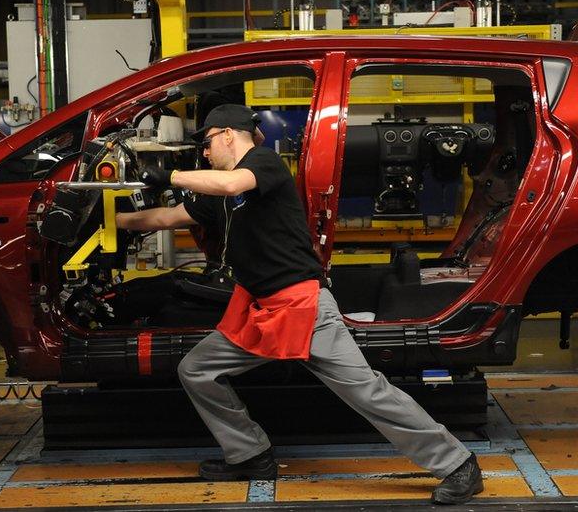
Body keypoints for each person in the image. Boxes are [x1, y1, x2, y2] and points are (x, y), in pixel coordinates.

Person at [116, 104, 483, 505]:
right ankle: (250, 454)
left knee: (368, 393)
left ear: (226, 134)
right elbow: (165, 219)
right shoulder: (220, 195)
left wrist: (167, 173)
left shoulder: (262, 164)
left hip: (305, 309)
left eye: (205, 143)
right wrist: (110, 219)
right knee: (197, 370)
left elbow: (233, 184)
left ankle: (458, 465)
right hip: (261, 310)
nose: (204, 153)